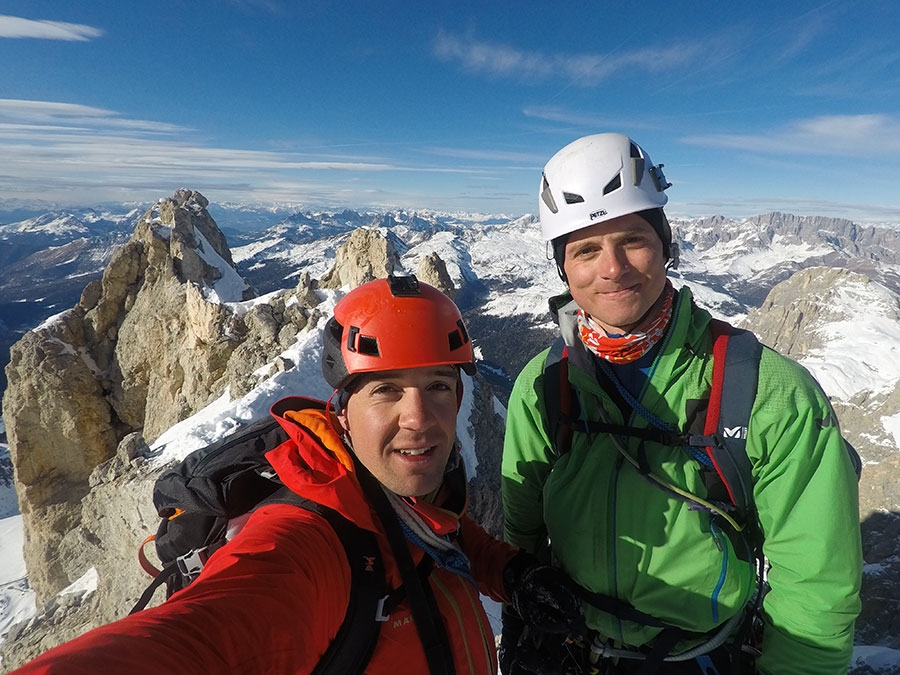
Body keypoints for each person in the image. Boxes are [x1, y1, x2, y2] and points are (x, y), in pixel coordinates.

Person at [11, 275, 584, 675]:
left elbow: (441, 537)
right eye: (386, 390)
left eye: (438, 386)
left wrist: (513, 576)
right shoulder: (306, 540)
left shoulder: (399, 492)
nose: (420, 419)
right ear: (343, 408)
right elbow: (206, 636)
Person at [499, 133, 862, 674]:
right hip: (573, 650)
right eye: (585, 250)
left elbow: (816, 589)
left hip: (702, 657)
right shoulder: (545, 385)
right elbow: (521, 530)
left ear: (666, 244)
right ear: (563, 270)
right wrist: (521, 623)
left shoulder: (767, 392)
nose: (613, 267)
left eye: (632, 239)